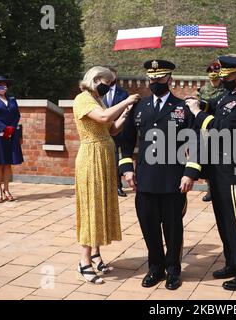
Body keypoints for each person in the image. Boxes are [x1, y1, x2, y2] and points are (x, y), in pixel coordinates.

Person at [118, 60, 201, 290]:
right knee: (149, 227)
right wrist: (126, 168)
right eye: (152, 78)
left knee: (173, 229)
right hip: (144, 179)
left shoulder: (182, 108)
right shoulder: (140, 106)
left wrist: (190, 173)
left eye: (160, 78)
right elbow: (125, 141)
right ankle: (155, 268)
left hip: (173, 179)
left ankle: (173, 270)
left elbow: (195, 142)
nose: (155, 81)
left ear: (169, 79)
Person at [185, 56, 236, 291]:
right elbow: (217, 110)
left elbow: (222, 128)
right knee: (223, 220)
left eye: (225, 77)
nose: (222, 80)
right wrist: (202, 104)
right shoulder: (231, 95)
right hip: (218, 167)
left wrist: (198, 113)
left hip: (231, 169)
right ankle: (232, 263)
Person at [73, 66, 140, 284]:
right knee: (91, 206)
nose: (109, 86)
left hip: (103, 156)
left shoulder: (96, 99)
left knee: (100, 205)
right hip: (90, 157)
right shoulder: (83, 99)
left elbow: (113, 129)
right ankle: (84, 262)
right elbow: (102, 118)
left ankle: (95, 254)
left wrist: (127, 112)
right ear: (96, 79)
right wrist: (126, 101)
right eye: (107, 82)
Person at [197, 60, 226, 202]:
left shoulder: (226, 89)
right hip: (205, 128)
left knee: (221, 159)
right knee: (207, 160)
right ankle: (210, 189)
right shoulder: (203, 90)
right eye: (210, 72)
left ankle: (222, 188)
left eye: (215, 71)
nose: (213, 74)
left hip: (221, 128)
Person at [103, 66, 129, 197]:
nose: (110, 77)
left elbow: (125, 111)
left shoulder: (123, 93)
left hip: (118, 131)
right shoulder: (98, 94)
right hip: (103, 131)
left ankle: (118, 186)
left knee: (117, 159)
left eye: (112, 75)